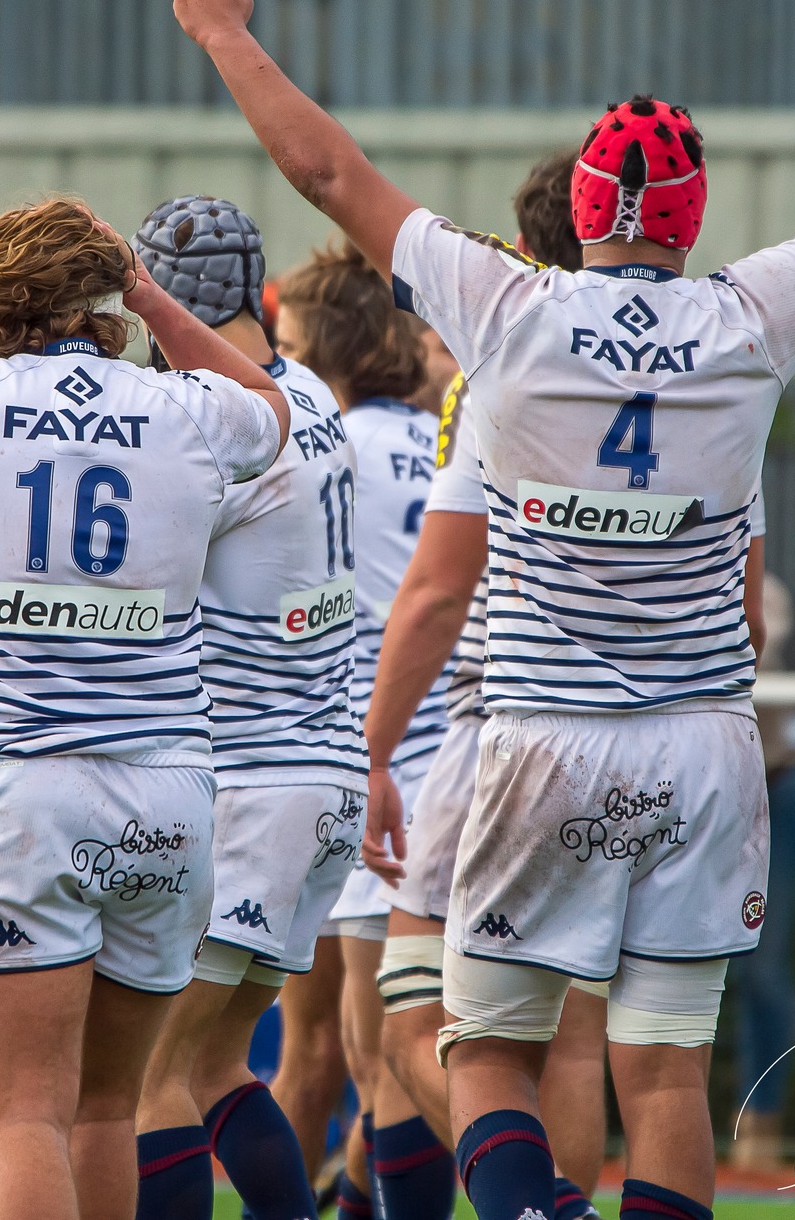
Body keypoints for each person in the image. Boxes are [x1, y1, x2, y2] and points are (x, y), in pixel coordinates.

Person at [172, 0, 795, 1220]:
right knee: (662, 1072)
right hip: (701, 742)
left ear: (586, 206)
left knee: (484, 1046)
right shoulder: (751, 318)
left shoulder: (506, 306)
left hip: (545, 733)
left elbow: (327, 169)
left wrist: (226, 33)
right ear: (689, 217)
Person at [0, 198, 288, 1220]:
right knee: (102, 1111)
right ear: (107, 299)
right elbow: (268, 405)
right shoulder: (181, 408)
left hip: (16, 794)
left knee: (22, 1117)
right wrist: (149, 292)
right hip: (167, 796)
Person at [361, 154, 616, 1220]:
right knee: (584, 1037)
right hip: (648, 730)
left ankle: (533, 1203)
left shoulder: (501, 365)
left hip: (506, 723)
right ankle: (548, 1196)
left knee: (413, 1026)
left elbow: (437, 586)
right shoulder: (697, 361)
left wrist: (370, 746)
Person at [123, 196, 363, 1220]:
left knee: (145, 1082)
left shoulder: (203, 414)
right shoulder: (308, 393)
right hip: (320, 777)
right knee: (218, 1069)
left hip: (249, 780)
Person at [269, 238, 451, 1218]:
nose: (277, 355)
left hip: (365, 781)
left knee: (368, 1055)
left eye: (288, 340)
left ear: (325, 349)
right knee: (361, 1049)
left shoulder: (324, 450)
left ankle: (529, 1189)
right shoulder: (449, 442)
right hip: (447, 772)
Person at [725, 572, 795, 1172]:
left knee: (765, 966)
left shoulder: (767, 587)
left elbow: (749, 647)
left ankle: (762, 1122)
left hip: (771, 788)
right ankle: (646, 1118)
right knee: (656, 963)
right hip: (680, 793)